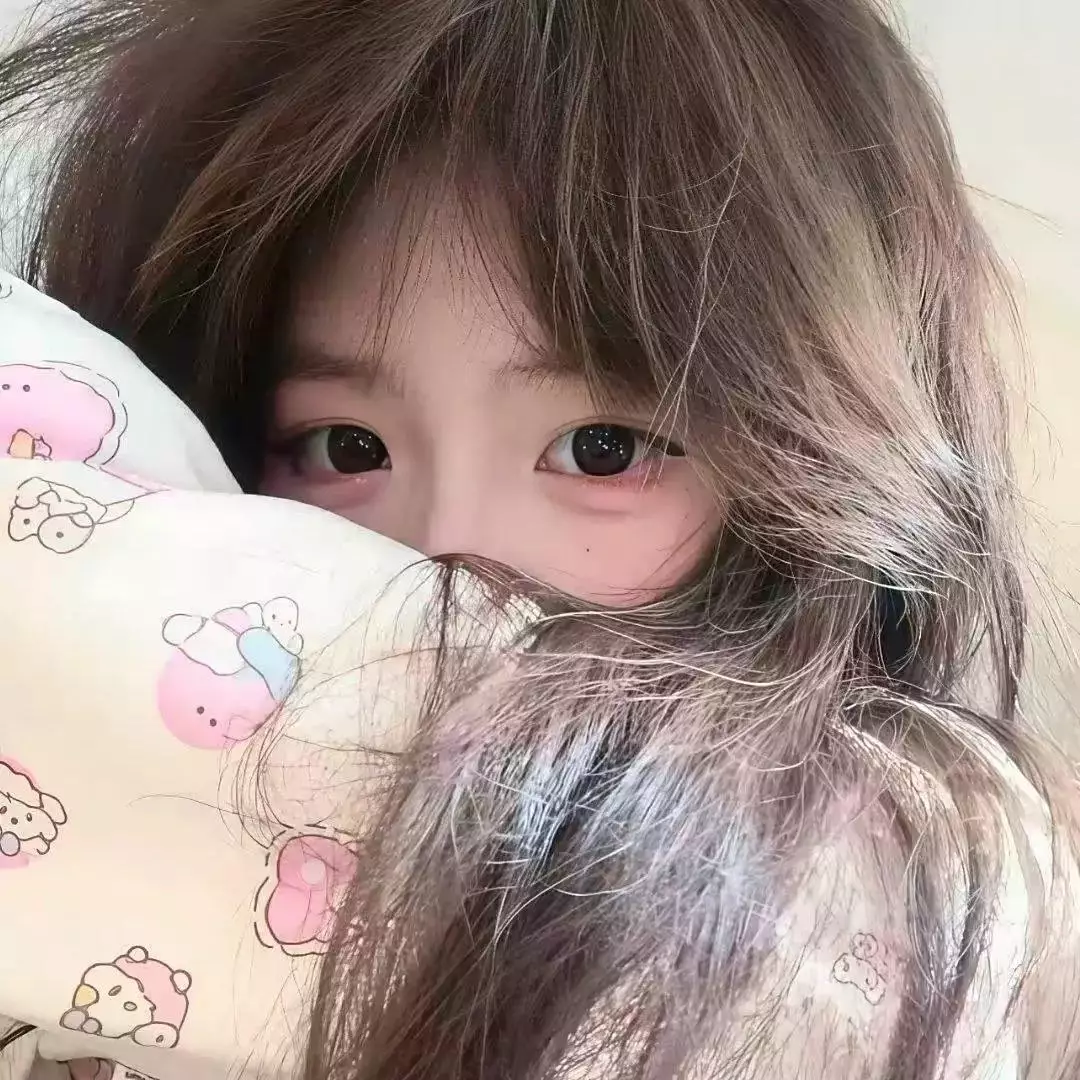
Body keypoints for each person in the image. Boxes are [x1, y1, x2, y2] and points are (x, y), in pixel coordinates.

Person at [0, 1, 1078, 1078]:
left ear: (810, 486)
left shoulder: (903, 896)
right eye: (343, 447)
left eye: (604, 450)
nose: (445, 553)